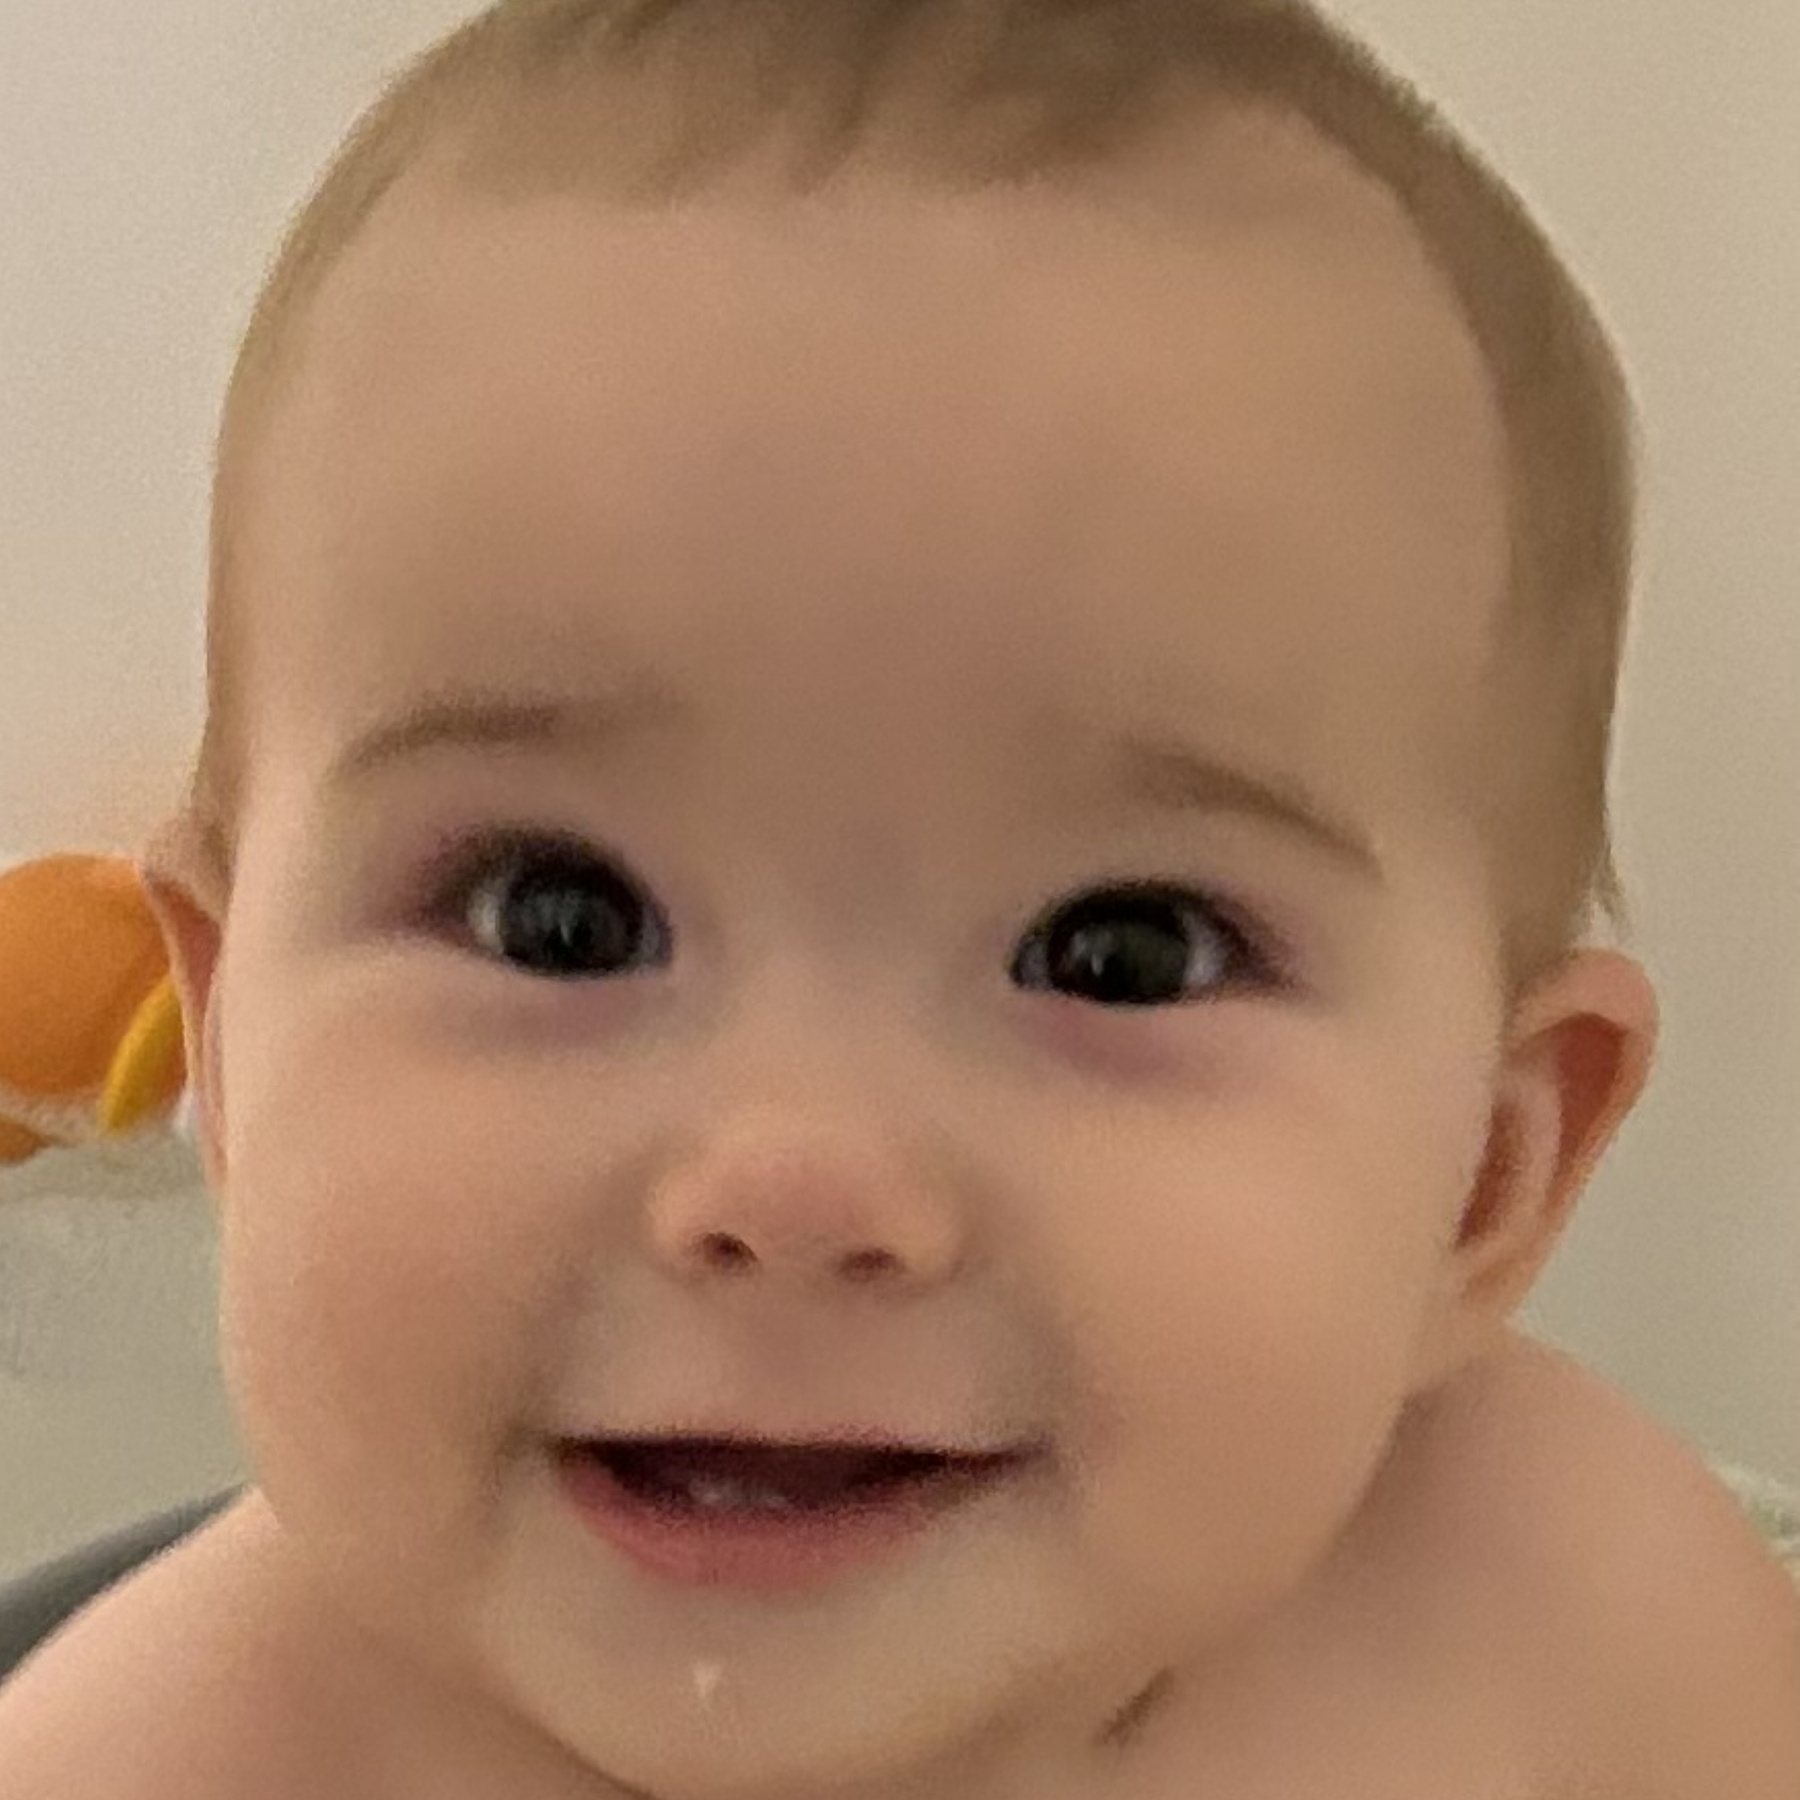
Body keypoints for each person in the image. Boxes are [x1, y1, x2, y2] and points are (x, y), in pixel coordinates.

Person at [3, 2, 1796, 1794]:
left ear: (1485, 1181)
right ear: (229, 1049)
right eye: (557, 915)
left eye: (1120, 955)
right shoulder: (167, 1764)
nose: (794, 1182)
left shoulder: (1584, 1632)